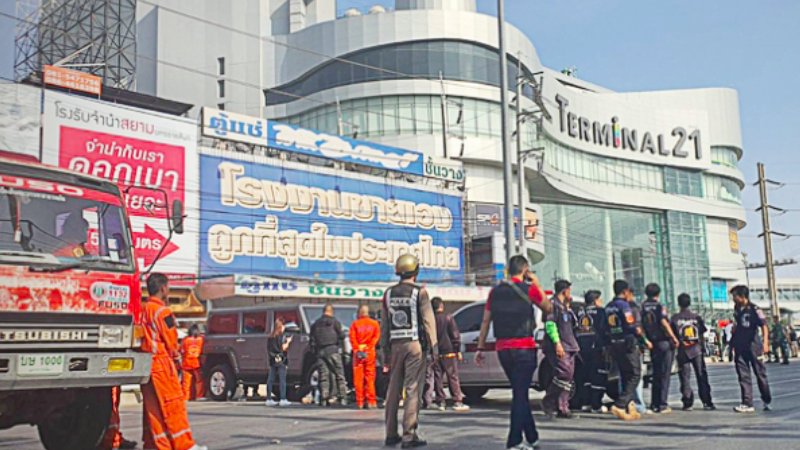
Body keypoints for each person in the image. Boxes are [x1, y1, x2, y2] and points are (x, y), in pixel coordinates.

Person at [476, 255, 550, 450]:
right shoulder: (530, 289)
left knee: (520, 393)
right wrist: (538, 284)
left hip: (503, 350)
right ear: (525, 270)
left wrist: (480, 347)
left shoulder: (495, 292)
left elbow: (485, 321)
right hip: (524, 348)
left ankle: (532, 437)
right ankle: (514, 441)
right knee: (520, 394)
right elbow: (548, 307)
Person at [141, 273, 206, 450]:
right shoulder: (164, 312)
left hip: (146, 363)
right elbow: (171, 341)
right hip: (161, 364)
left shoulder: (143, 309)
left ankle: (156, 445)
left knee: (153, 410)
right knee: (173, 405)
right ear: (163, 288)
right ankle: (185, 445)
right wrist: (177, 359)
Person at [382, 254, 438, 448]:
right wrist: (434, 347)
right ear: (416, 271)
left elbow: (385, 326)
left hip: (395, 345)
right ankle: (409, 435)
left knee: (393, 390)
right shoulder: (420, 292)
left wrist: (385, 353)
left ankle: (390, 433)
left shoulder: (388, 294)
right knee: (413, 389)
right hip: (415, 346)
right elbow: (428, 321)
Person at [605, 279, 652, 421]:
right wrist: (645, 341)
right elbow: (633, 326)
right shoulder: (624, 305)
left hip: (614, 343)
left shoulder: (608, 306)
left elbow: (603, 327)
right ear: (625, 292)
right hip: (628, 343)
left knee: (625, 375)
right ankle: (620, 404)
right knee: (635, 374)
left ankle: (629, 407)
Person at [730, 285, 772, 413]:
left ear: (742, 297)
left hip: (753, 346)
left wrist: (765, 343)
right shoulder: (737, 308)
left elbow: (764, 326)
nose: (733, 299)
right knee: (743, 375)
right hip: (740, 346)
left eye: (735, 296)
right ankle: (747, 402)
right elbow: (737, 324)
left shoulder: (755, 309)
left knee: (760, 373)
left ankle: (766, 399)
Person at [670, 293, 715, 411]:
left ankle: (687, 401)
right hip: (696, 349)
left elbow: (672, 334)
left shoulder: (675, 318)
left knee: (684, 377)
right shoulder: (696, 317)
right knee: (701, 375)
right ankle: (707, 401)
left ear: (678, 303)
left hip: (682, 350)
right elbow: (701, 332)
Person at [640, 283, 680, 414]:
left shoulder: (643, 307)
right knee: (664, 374)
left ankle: (654, 403)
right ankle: (662, 404)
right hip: (663, 342)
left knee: (655, 373)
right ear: (658, 293)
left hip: (652, 343)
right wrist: (673, 337)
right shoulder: (659, 306)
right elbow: (663, 322)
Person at [541, 279, 578, 419]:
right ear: (565, 291)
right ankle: (548, 402)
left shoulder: (565, 306)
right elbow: (550, 325)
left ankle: (563, 407)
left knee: (568, 378)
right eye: (569, 290)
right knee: (564, 374)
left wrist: (568, 308)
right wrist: (557, 343)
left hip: (570, 346)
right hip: (559, 346)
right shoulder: (552, 305)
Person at [425, 297, 469, 412]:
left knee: (438, 377)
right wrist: (457, 349)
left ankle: (441, 402)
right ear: (441, 306)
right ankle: (457, 401)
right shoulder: (448, 318)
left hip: (436, 352)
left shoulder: (431, 320)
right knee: (452, 376)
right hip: (449, 351)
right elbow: (455, 335)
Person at [571, 290, 608, 414]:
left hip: (581, 349)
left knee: (585, 377)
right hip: (596, 348)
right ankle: (596, 405)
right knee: (598, 376)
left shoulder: (579, 312)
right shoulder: (601, 312)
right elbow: (604, 330)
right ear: (596, 300)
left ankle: (586, 403)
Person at [310, 303, 348, 406]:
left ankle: (323, 398)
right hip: (333, 350)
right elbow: (342, 336)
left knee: (323, 376)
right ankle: (343, 397)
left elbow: (312, 340)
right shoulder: (335, 322)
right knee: (339, 375)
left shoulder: (316, 324)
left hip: (320, 352)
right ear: (331, 312)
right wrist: (344, 352)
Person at [349, 304, 380, 409]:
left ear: (359, 313)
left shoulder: (355, 324)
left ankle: (360, 402)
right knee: (370, 378)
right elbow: (376, 338)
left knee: (358, 379)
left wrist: (358, 349)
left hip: (358, 353)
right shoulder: (375, 324)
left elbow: (352, 339)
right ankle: (371, 401)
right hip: (370, 353)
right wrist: (368, 348)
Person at [265, 317, 293, 406]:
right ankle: (283, 398)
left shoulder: (271, 336)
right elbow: (283, 348)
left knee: (270, 379)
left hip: (273, 359)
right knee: (282, 380)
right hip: (281, 359)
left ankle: (268, 398)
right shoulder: (282, 336)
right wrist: (288, 342)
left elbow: (269, 349)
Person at [180, 325, 205, 401]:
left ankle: (185, 397)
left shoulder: (185, 340)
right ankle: (199, 396)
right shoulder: (201, 339)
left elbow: (181, 350)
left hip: (186, 363)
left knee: (186, 383)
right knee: (199, 381)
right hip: (196, 363)